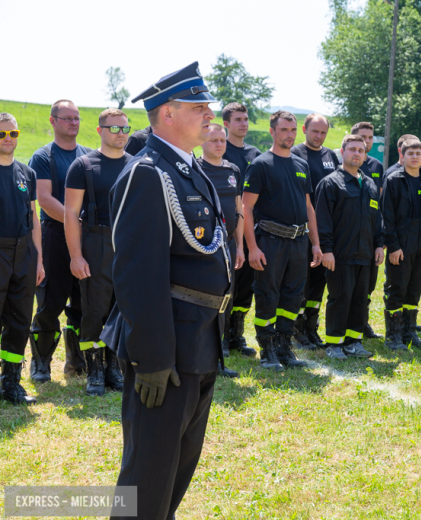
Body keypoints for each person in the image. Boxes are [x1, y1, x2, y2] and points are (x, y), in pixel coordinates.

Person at [105, 62, 230, 520]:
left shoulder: (190, 170)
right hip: (168, 350)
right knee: (147, 475)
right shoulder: (148, 173)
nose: (209, 116)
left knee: (176, 469)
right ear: (168, 112)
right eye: (199, 107)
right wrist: (152, 357)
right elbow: (138, 275)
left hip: (199, 339)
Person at [242, 111, 322, 371]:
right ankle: (267, 349)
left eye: (292, 130)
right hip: (270, 241)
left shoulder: (301, 165)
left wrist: (316, 244)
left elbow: (309, 208)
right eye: (284, 129)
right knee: (268, 294)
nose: (289, 134)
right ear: (272, 132)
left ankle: (284, 346)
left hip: (299, 243)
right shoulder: (260, 165)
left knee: (293, 296)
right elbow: (246, 207)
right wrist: (252, 247)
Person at [63, 109, 131, 396]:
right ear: (100, 130)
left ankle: (114, 369)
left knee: (122, 309)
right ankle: (95, 372)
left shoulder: (137, 165)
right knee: (94, 309)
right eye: (114, 129)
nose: (121, 134)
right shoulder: (83, 166)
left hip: (128, 243)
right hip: (96, 241)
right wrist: (76, 256)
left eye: (125, 128)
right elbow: (70, 214)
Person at [28, 100, 90, 382]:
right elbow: (44, 199)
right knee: (50, 303)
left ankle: (76, 361)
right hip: (54, 236)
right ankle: (41, 363)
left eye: (76, 118)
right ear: (53, 121)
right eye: (67, 118)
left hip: (86, 239)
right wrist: (75, 221)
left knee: (82, 302)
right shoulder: (43, 157)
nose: (73, 123)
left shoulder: (88, 157)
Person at [315, 135, 384, 359]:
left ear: (365, 155)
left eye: (361, 150)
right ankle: (334, 344)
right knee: (340, 297)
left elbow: (377, 218)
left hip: (365, 254)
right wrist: (327, 250)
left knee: (361, 298)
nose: (356, 153)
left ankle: (354, 341)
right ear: (342, 152)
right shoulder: (331, 183)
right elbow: (322, 220)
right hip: (341, 254)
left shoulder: (371, 184)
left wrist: (379, 245)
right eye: (352, 149)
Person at [196, 123, 246, 378]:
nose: (219, 144)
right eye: (213, 140)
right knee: (205, 299)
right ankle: (200, 356)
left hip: (228, 245)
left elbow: (239, 209)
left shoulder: (233, 170)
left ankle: (218, 358)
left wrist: (239, 246)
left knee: (226, 298)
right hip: (203, 246)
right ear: (201, 141)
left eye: (222, 140)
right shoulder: (195, 168)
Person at [381, 139, 421, 351]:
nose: (414, 157)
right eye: (410, 153)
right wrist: (394, 246)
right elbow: (386, 215)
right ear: (403, 156)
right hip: (401, 245)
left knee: (414, 289)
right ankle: (393, 336)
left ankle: (409, 332)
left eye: (418, 153)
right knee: (397, 287)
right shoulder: (394, 180)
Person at [0, 113, 44, 405]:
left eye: (12, 134)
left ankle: (11, 383)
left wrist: (38, 260)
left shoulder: (26, 173)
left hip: (24, 253)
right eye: (2, 134)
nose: (7, 139)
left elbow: (35, 218)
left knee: (19, 321)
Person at [292, 114, 340, 349]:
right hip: (302, 229)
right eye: (315, 132)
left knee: (320, 281)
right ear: (304, 129)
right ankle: (297, 328)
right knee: (303, 280)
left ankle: (312, 327)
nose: (319, 136)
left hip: (326, 228)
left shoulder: (330, 155)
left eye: (323, 132)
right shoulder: (295, 154)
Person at [222, 103, 262, 359]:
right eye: (238, 119)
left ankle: (237, 334)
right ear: (226, 124)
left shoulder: (254, 154)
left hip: (251, 231)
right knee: (226, 286)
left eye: (246, 119)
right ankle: (222, 335)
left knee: (246, 286)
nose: (243, 124)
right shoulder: (217, 150)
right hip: (225, 234)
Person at [351, 122, 387, 339]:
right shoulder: (345, 162)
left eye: (370, 137)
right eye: (362, 136)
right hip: (348, 234)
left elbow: (379, 204)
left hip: (370, 233)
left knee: (368, 283)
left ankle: (362, 321)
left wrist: (380, 240)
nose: (366, 141)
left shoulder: (376, 166)